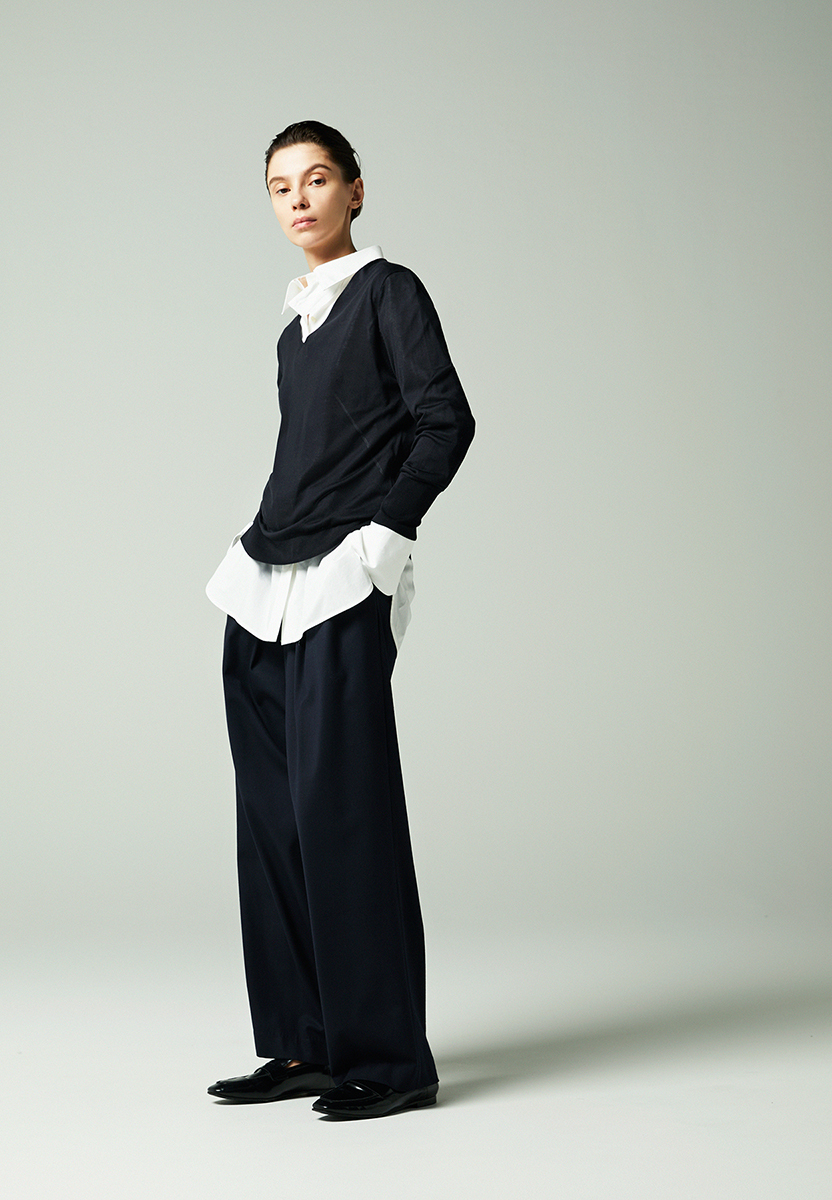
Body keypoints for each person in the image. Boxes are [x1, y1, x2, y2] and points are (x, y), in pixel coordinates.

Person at [205, 120, 474, 1119]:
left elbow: (445, 420)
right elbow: (309, 453)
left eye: (317, 179)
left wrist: (382, 542)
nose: (300, 199)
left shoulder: (388, 292)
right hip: (261, 584)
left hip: (338, 583)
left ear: (355, 190)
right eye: (281, 187)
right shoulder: (294, 327)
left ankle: (390, 1060)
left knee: (343, 814)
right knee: (271, 822)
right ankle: (304, 1045)